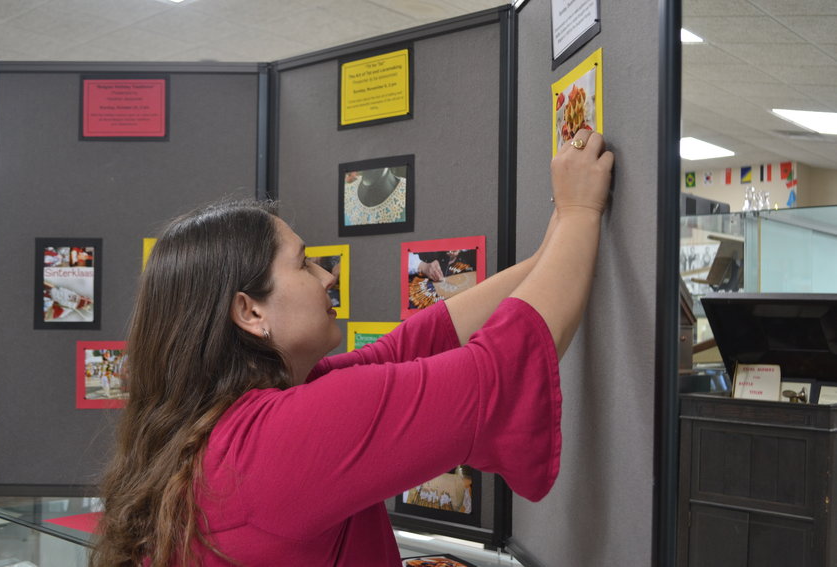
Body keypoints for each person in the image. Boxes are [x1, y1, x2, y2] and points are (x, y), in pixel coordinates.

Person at [90, 130, 613, 567]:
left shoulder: (232, 426)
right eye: (303, 263)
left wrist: (558, 238)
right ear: (250, 312)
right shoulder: (278, 440)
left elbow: (413, 344)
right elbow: (498, 372)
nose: (328, 275)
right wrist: (584, 209)